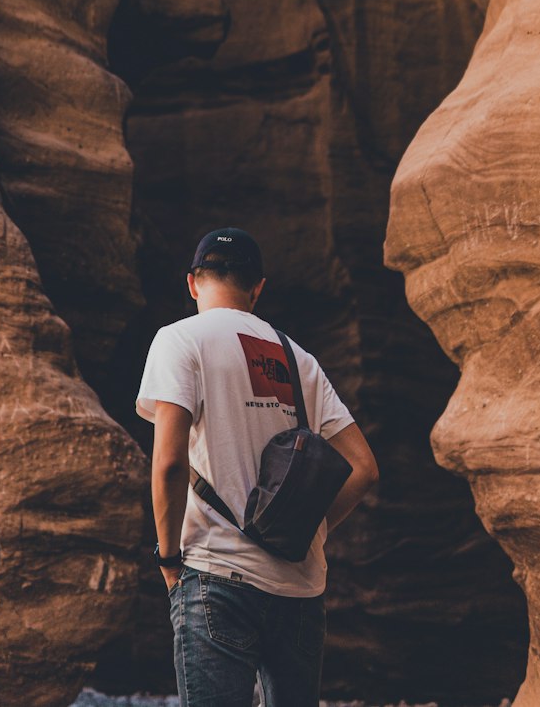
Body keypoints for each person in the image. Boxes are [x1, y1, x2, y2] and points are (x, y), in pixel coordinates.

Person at [136, 227, 379, 707]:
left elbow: (168, 463)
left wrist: (167, 560)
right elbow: (365, 468)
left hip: (216, 576)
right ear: (258, 288)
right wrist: (313, 529)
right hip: (300, 585)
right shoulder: (300, 360)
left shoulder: (179, 340)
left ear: (192, 283)